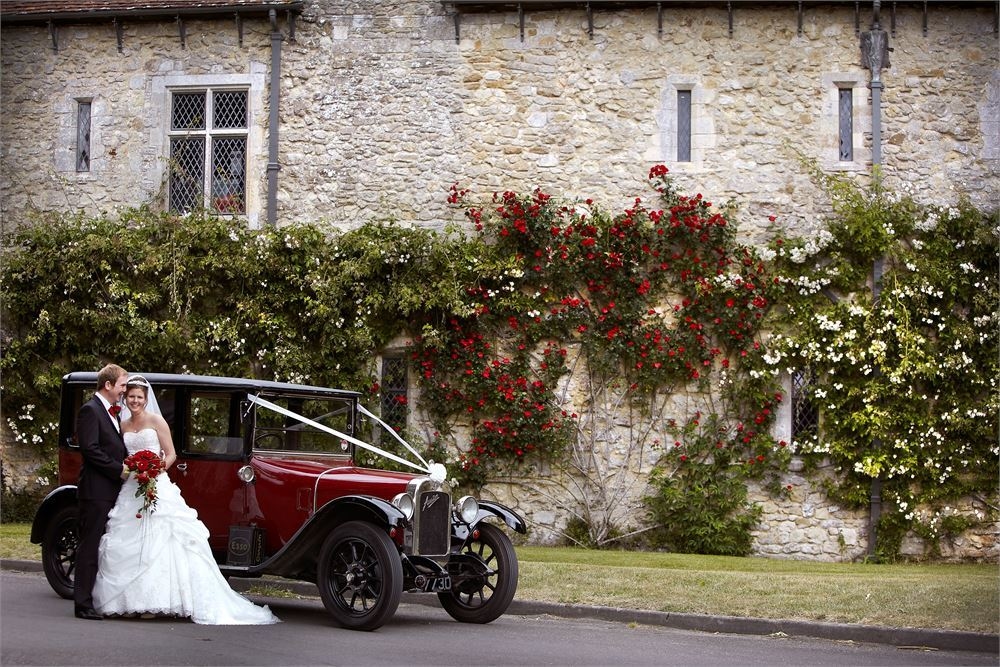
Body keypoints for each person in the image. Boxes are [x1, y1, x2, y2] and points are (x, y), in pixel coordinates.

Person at [92, 375, 279, 625]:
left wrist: (155, 469)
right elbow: (122, 455)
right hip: (132, 488)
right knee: (130, 542)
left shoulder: (156, 421)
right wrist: (133, 469)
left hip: (156, 484)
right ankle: (129, 601)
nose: (135, 400)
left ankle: (155, 601)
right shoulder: (122, 425)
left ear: (146, 399)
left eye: (140, 397)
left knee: (160, 542)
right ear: (126, 398)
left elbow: (170, 454)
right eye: (131, 396)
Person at [74, 363, 129, 621]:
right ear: (108, 385)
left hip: (110, 489)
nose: (124, 391)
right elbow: (91, 449)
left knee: (101, 545)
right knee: (89, 545)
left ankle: (93, 598)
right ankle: (82, 604)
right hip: (95, 491)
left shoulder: (111, 412)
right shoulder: (90, 410)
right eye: (122, 386)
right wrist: (118, 469)